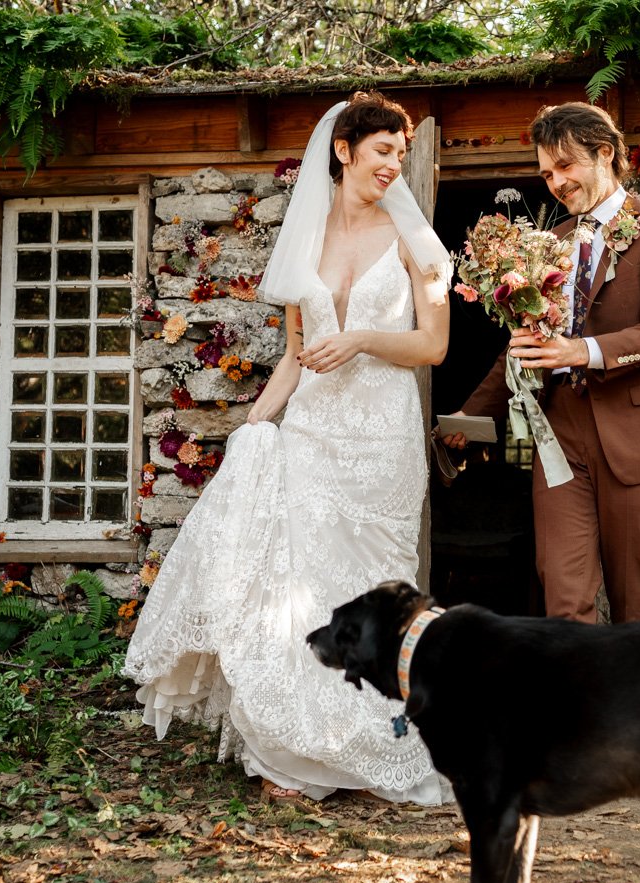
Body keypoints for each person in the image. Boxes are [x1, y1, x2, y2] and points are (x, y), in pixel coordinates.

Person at [123, 92, 454, 805]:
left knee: (374, 595)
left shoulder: (415, 240)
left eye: (400, 153)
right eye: (382, 152)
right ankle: (297, 756)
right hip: (312, 433)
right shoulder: (306, 238)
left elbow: (434, 345)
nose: (394, 165)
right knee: (300, 597)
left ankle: (372, 754)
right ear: (343, 153)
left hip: (380, 441)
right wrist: (255, 425)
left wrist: (364, 338)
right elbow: (295, 356)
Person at [444, 102, 640, 623]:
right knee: (562, 587)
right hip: (559, 435)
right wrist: (470, 418)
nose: (555, 182)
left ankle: (638, 704)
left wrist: (581, 351)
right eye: (546, 173)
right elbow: (525, 346)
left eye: (564, 166)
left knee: (633, 595)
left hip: (634, 432)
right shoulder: (549, 243)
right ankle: (573, 703)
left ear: (604, 154)